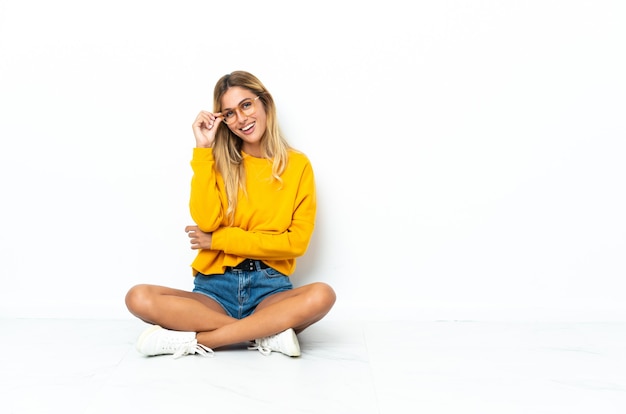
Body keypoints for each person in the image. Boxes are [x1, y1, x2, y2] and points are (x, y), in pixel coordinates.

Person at [125, 70, 336, 358]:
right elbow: (206, 221)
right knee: (138, 297)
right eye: (230, 113)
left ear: (264, 104)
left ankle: (198, 341)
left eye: (246, 105)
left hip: (270, 289)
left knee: (323, 294)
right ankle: (262, 334)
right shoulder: (219, 161)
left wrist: (220, 240)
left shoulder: (298, 166)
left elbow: (295, 243)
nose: (241, 119)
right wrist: (203, 150)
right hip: (215, 290)